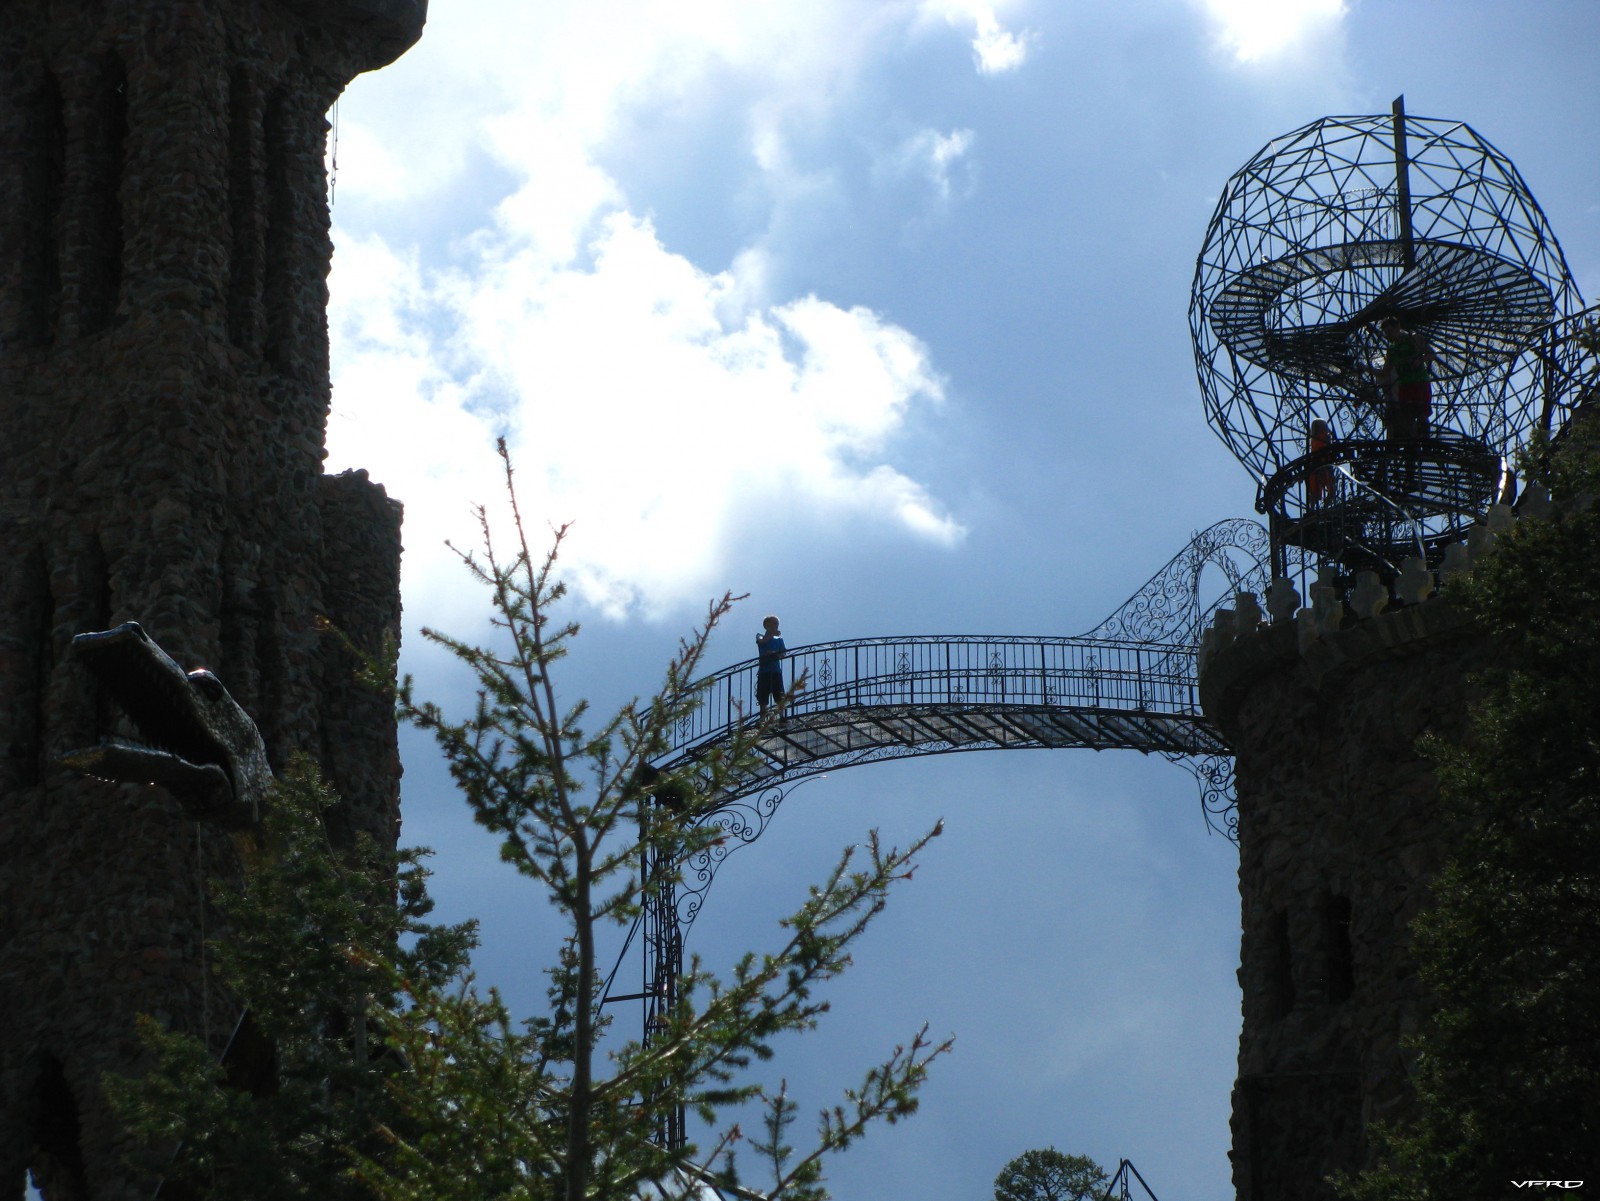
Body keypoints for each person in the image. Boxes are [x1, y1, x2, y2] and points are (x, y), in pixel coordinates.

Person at [1376, 315, 1436, 442]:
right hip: (1404, 385)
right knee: (1407, 418)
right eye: (1386, 333)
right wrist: (1365, 368)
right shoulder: (1392, 350)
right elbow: (1384, 373)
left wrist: (1421, 360)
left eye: (1389, 331)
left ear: (1397, 327)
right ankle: (1412, 447)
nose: (1388, 335)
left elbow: (1432, 354)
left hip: (1419, 382)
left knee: (1422, 414)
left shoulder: (1413, 338)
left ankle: (1425, 442)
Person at [755, 615, 786, 716]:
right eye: (773, 623)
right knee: (763, 696)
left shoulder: (779, 640)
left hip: (776, 670)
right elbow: (762, 641)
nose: (776, 626)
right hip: (764, 671)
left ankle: (782, 718)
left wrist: (774, 654)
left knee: (779, 695)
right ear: (766, 625)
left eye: (777, 624)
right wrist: (771, 634)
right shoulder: (759, 635)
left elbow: (783, 653)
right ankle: (763, 719)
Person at [1306, 418, 1334, 507]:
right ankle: (1322, 506)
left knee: (1316, 490)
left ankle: (1315, 507)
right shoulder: (1325, 437)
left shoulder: (1314, 439)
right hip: (1323, 464)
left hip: (1319, 465)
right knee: (1329, 487)